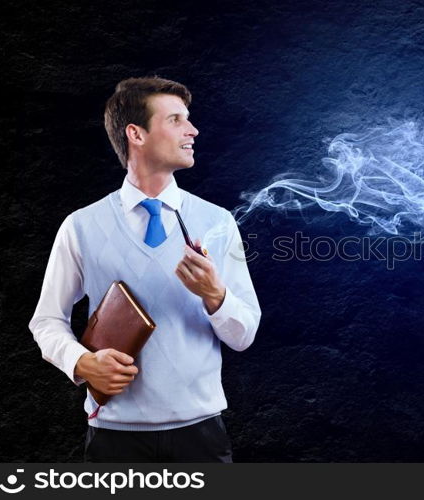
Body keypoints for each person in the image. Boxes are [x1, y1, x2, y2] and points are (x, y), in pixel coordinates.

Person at [29, 77, 262, 462]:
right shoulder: (81, 226)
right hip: (114, 439)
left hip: (200, 436)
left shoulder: (216, 221)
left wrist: (215, 296)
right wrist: (81, 362)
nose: (193, 130)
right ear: (135, 134)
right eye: (175, 120)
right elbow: (46, 321)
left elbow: (244, 335)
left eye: (188, 119)